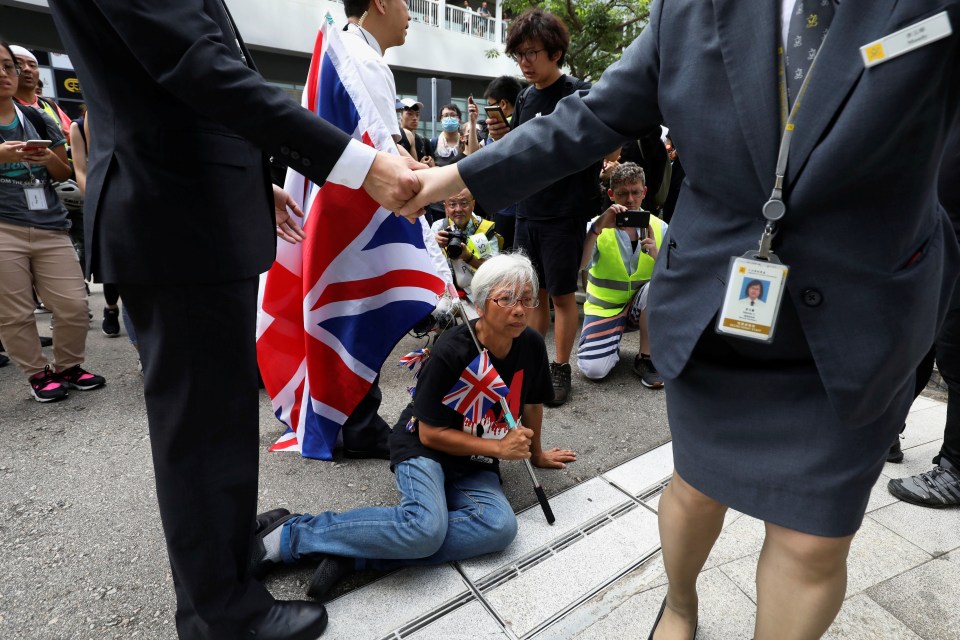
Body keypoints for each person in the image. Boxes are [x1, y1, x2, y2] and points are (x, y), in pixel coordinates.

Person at [401, 1, 960, 638]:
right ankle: (679, 605)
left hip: (861, 316)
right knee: (695, 488)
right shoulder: (690, 8)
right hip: (714, 310)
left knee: (812, 540)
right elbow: (593, 115)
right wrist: (447, 179)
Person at [47, 1, 425, 639]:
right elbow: (196, 64)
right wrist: (358, 164)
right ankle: (219, 614)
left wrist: (253, 176)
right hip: (174, 213)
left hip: (188, 203)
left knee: (218, 413)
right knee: (198, 429)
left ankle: (224, 549)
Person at [250, 253, 576, 600]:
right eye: (507, 298)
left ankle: (359, 553)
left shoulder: (529, 344)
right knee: (425, 528)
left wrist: (536, 453)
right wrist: (499, 448)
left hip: (474, 460)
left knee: (500, 528)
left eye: (527, 299)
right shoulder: (452, 349)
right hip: (425, 449)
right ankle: (292, 535)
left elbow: (532, 404)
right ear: (481, 303)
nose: (519, 309)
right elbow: (428, 433)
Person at [488, 8, 604, 406]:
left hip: (564, 211)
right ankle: (536, 361)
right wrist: (505, 136)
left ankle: (560, 367)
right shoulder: (523, 96)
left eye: (531, 53)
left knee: (561, 295)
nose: (524, 63)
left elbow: (593, 148)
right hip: (527, 210)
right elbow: (521, 152)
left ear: (555, 52)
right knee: (530, 294)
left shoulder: (578, 93)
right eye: (518, 55)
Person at [0, 42, 106, 403]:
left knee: (74, 305)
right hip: (3, 227)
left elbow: (65, 171)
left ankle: (69, 366)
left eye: (8, 66)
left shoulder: (38, 115)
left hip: (49, 221)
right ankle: (37, 373)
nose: (6, 73)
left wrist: (45, 158)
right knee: (15, 312)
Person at [888, 115, 960, 507]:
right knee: (914, 344)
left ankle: (956, 470)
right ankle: (885, 432)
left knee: (955, 357)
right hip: (931, 243)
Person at [576, 163, 666, 388]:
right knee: (594, 371)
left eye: (635, 192)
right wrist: (596, 229)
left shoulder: (660, 227)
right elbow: (579, 265)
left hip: (639, 308)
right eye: (622, 193)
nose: (630, 199)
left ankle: (645, 358)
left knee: (657, 285)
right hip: (604, 310)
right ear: (611, 194)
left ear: (644, 192)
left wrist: (656, 254)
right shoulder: (597, 225)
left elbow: (676, 275)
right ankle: (608, 341)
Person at [430, 188, 501, 298]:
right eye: (452, 204)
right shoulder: (438, 228)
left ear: (473, 205)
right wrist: (433, 245)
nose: (458, 209)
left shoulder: (485, 230)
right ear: (446, 207)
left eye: (464, 203)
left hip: (478, 290)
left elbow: (494, 270)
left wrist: (468, 257)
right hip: (446, 291)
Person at [482, 75, 525, 251]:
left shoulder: (498, 128)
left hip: (505, 207)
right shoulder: (527, 124)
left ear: (502, 105)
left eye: (490, 104)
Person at [9, 45, 72, 141]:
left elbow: (72, 136)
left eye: (32, 65)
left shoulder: (49, 104)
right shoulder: (5, 106)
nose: (27, 69)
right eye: (18, 64)